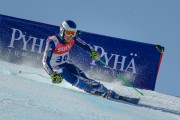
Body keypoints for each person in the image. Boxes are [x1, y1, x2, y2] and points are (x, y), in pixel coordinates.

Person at [42, 20, 126, 100]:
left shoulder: (73, 38)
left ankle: (105, 91)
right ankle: (87, 88)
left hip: (65, 62)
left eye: (73, 33)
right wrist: (52, 74)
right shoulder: (53, 41)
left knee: (83, 77)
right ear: (62, 31)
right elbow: (45, 61)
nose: (71, 36)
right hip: (55, 66)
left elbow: (85, 46)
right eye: (69, 33)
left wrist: (92, 52)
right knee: (63, 71)